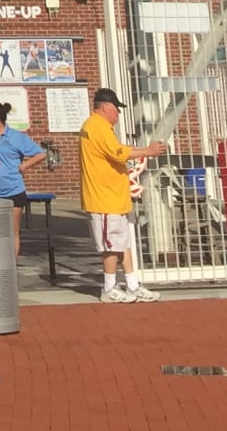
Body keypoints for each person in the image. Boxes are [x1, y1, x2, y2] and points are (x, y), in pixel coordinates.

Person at [79, 86, 169, 303]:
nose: (118, 114)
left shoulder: (99, 128)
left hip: (114, 198)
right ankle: (109, 287)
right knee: (111, 246)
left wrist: (138, 151)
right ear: (105, 108)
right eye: (116, 109)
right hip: (104, 198)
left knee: (122, 243)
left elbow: (115, 150)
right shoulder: (96, 126)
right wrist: (147, 151)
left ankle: (132, 284)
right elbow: (118, 152)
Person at [0, 100, 47, 256]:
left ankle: (11, 264)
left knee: (12, 230)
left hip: (13, 190)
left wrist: (25, 166)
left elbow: (40, 154)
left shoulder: (16, 137)